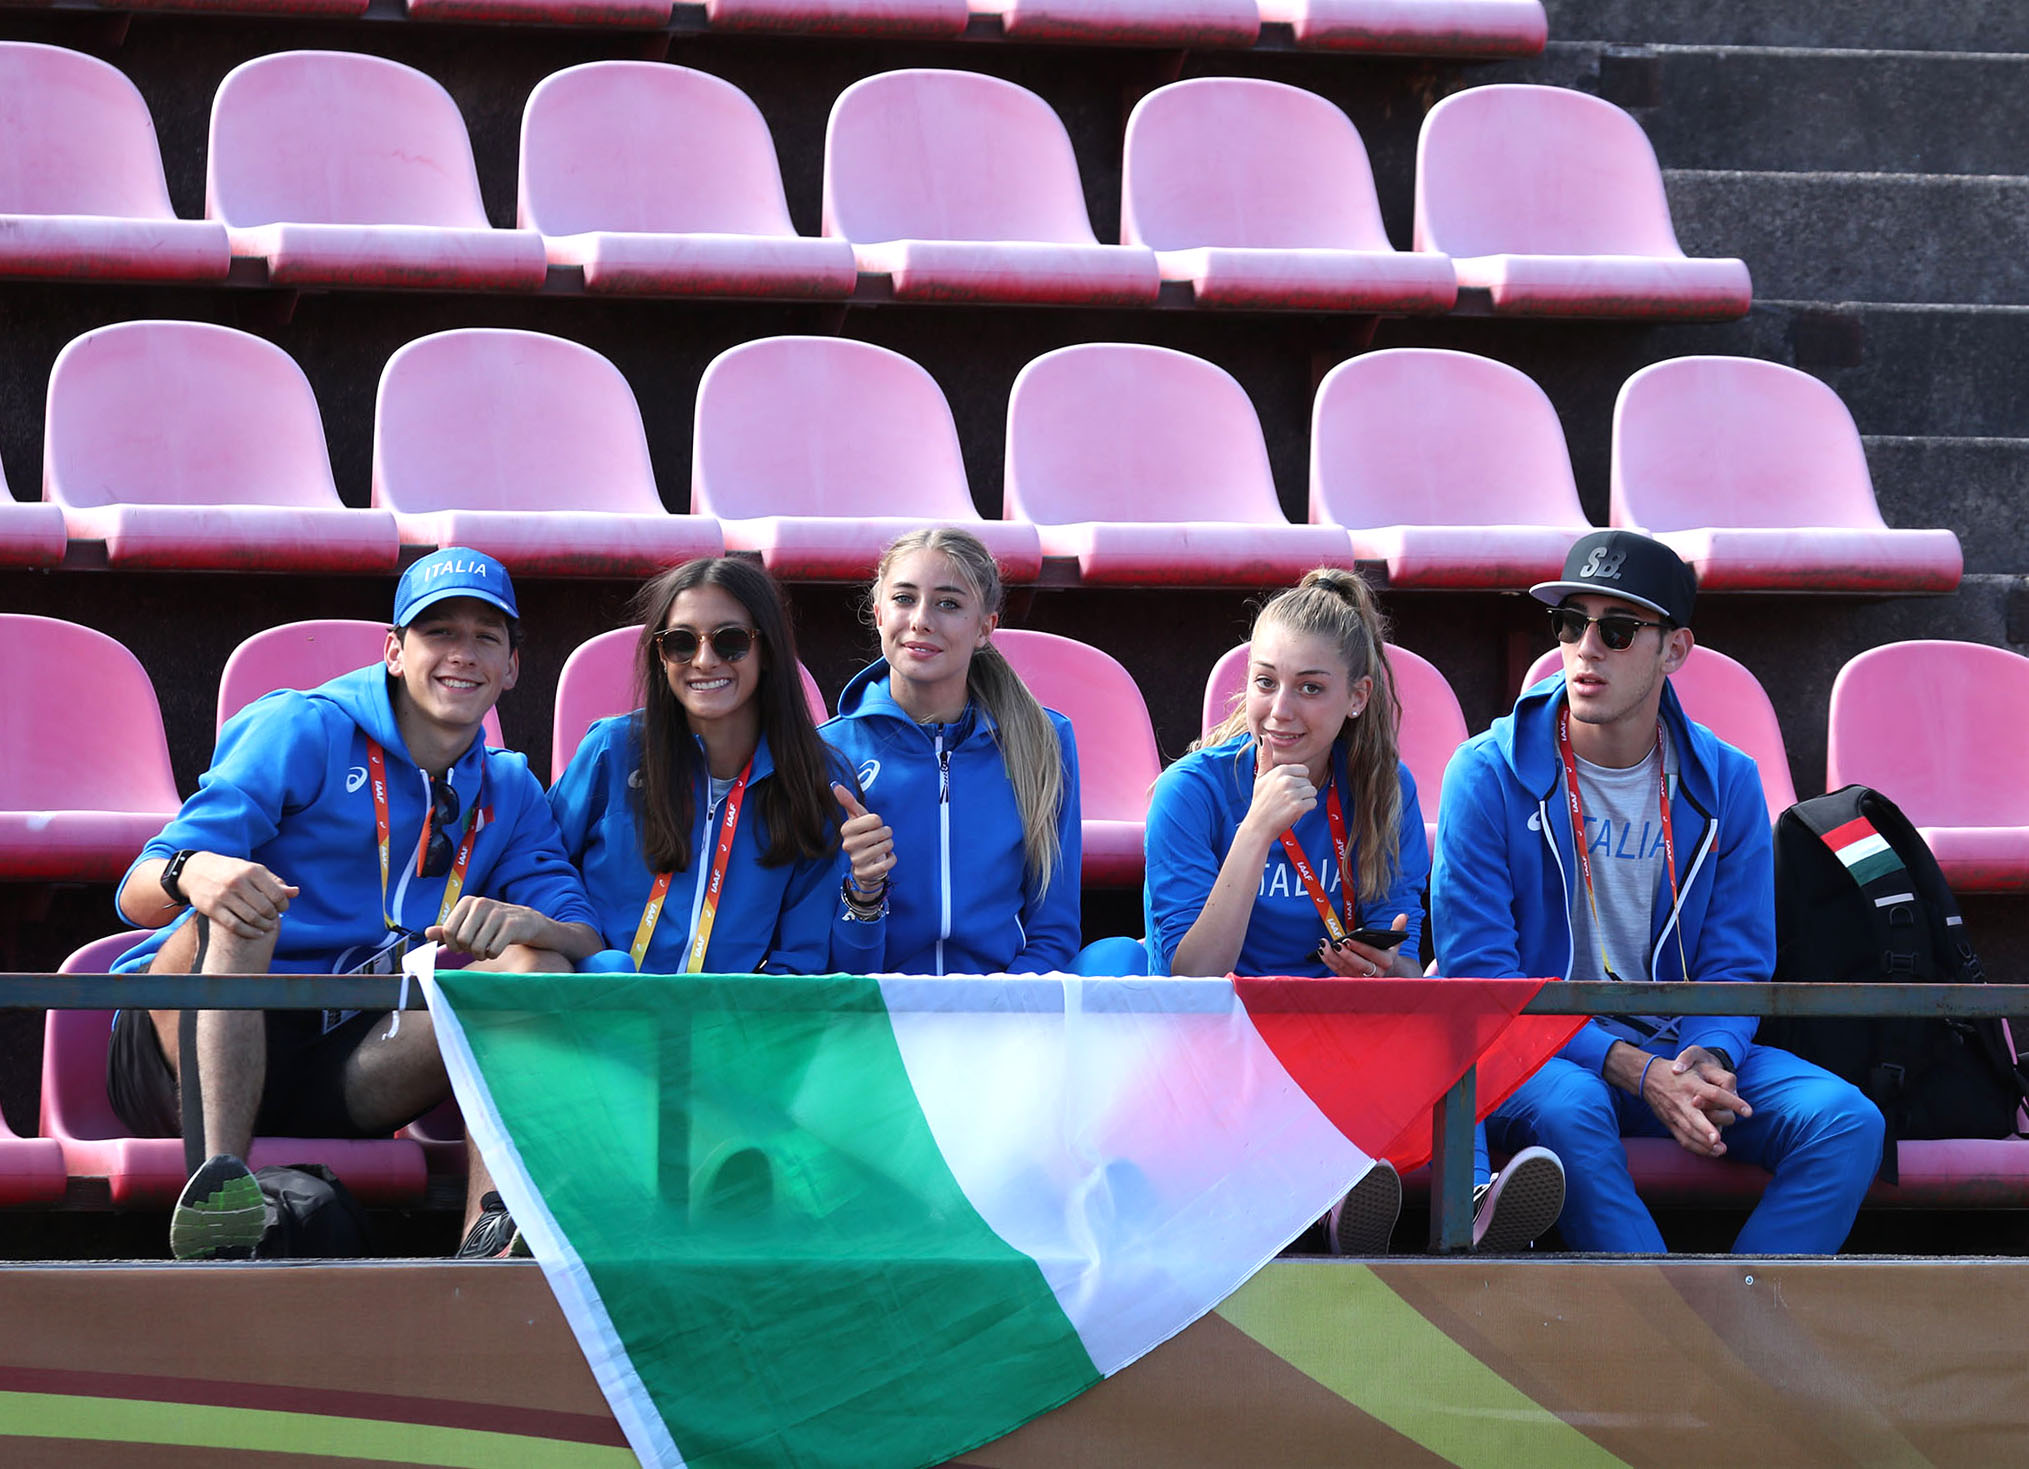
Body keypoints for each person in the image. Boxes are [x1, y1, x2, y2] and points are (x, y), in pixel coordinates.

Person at [109, 549, 603, 1261]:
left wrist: (533, 925)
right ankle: (220, 1195)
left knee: (540, 964)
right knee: (247, 905)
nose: (462, 654)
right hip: (184, 1047)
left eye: (485, 637)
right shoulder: (303, 727)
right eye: (439, 632)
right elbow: (137, 892)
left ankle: (490, 1239)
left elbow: (584, 934)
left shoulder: (510, 789)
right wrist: (197, 871)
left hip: (345, 1057)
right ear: (395, 652)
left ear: (511, 667)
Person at [1434, 530, 1884, 1253]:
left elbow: (1735, 962)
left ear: (1674, 650)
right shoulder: (1484, 773)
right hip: (1541, 1052)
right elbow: (1483, 979)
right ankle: (1663, 1314)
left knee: (1844, 1121)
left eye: (1616, 630)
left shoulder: (1727, 779)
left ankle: (1739, 1311)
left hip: (1676, 1046)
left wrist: (1708, 1058)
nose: (1585, 648)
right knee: (1574, 1107)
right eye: (1569, 623)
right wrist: (1635, 1071)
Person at [1142, 567, 1564, 1254]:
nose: (1280, 710)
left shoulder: (1383, 788)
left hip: (1339, 1022)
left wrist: (1384, 968)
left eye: (1310, 688)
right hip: (1230, 1032)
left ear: (1357, 697)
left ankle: (1468, 1201)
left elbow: (1405, 962)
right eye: (1265, 682)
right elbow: (1188, 979)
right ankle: (1338, 1197)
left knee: (1439, 1015)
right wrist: (1255, 831)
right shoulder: (1190, 792)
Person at [550, 558, 853, 975]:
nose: (705, 660)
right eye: (681, 642)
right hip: (601, 1001)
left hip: (732, 1012)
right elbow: (543, 868)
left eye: (731, 641)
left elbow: (803, 956)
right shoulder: (613, 750)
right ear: (661, 656)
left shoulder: (817, 777)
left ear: (767, 651)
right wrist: (586, 955)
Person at [824, 528, 1081, 976]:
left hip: (1005, 1001)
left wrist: (1001, 1003)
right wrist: (863, 895)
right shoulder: (829, 750)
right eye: (904, 599)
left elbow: (1054, 930)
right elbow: (833, 966)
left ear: (985, 628)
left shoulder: (1045, 739)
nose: (921, 620)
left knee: (1120, 957)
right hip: (881, 1006)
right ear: (878, 613)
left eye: (948, 604)